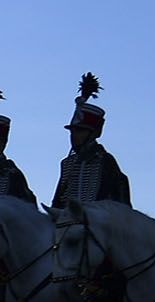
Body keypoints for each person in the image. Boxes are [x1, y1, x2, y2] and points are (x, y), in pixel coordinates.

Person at [51, 72, 132, 208]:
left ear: (94, 133)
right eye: (73, 131)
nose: (74, 136)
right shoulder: (67, 163)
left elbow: (120, 202)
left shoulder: (105, 161)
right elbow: (58, 202)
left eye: (80, 131)